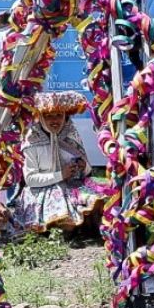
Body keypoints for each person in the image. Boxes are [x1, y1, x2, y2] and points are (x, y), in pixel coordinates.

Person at [17, 91, 96, 234]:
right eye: (48, 116)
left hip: (71, 186)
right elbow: (30, 179)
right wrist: (61, 175)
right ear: (40, 117)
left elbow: (86, 171)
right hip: (40, 190)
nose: (54, 120)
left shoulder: (71, 135)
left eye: (59, 115)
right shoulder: (31, 141)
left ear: (65, 116)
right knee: (63, 217)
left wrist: (83, 167)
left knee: (96, 200)